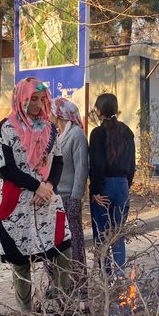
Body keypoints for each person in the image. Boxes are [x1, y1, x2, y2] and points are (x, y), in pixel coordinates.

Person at [0, 77, 72, 311]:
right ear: (22, 98)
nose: (37, 104)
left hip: (47, 201)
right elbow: (6, 168)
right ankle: (25, 311)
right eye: (32, 99)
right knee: (20, 261)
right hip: (18, 203)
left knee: (63, 250)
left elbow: (58, 161)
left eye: (41, 99)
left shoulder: (49, 128)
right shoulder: (6, 127)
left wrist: (47, 186)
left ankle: (65, 305)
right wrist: (35, 186)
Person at [89, 93, 136, 275]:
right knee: (118, 233)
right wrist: (126, 184)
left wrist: (95, 191)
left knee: (102, 235)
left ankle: (106, 277)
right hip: (122, 185)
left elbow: (97, 164)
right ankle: (119, 276)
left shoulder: (97, 133)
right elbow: (132, 164)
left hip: (104, 185)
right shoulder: (127, 131)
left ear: (99, 111)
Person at [52, 97, 89, 285]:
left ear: (60, 114)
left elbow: (81, 169)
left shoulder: (76, 135)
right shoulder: (58, 135)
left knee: (75, 244)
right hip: (54, 199)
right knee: (56, 246)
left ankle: (81, 288)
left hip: (69, 198)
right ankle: (59, 286)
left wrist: (76, 199)